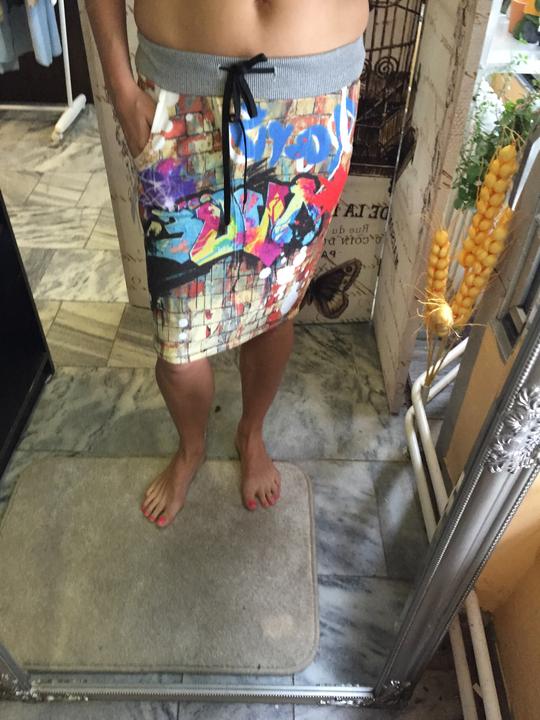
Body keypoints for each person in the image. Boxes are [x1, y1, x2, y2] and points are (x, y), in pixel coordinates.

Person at [85, 0, 369, 527]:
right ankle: (191, 447)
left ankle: (250, 432)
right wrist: (121, 89)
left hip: (314, 108)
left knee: (275, 312)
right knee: (177, 341)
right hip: (180, 100)